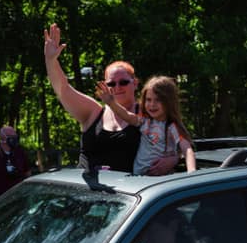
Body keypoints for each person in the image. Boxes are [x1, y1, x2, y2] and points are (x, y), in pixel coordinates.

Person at [43, 23, 178, 174]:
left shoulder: (148, 113)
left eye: (124, 82)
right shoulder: (93, 112)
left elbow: (176, 141)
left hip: (128, 195)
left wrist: (173, 159)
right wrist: (51, 61)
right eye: (111, 83)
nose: (118, 87)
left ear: (135, 83)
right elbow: (63, 89)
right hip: (85, 193)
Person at [96, 75, 196, 175]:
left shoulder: (172, 126)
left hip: (160, 180)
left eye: (158, 100)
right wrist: (111, 102)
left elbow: (187, 149)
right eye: (148, 100)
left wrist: (192, 173)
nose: (152, 104)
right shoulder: (144, 120)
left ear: (169, 102)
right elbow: (126, 115)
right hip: (139, 179)